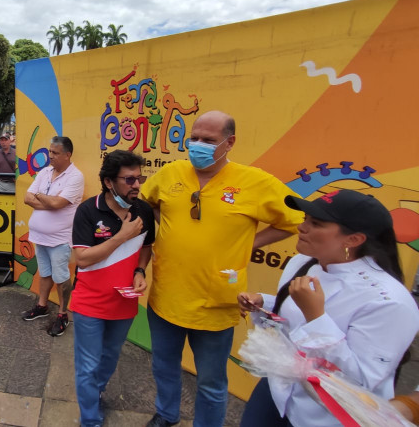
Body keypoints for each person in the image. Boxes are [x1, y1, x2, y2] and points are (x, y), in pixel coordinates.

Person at [138, 110, 303, 427]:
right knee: (163, 365)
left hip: (214, 304)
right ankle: (167, 413)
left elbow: (295, 221)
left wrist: (248, 243)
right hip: (166, 296)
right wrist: (168, 226)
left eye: (208, 140)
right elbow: (147, 203)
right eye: (194, 138)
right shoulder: (171, 173)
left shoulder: (255, 182)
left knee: (211, 383)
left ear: (230, 143)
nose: (198, 145)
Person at [238, 189, 419, 427]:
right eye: (305, 220)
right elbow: (293, 320)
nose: (302, 228)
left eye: (316, 223)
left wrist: (316, 317)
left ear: (353, 240)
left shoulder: (389, 302)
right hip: (279, 389)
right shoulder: (302, 262)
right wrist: (266, 303)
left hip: (328, 414)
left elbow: (362, 379)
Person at [69, 150, 155, 427]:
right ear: (109, 182)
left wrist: (140, 270)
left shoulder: (143, 211)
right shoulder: (88, 210)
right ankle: (90, 420)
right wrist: (121, 236)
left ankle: (94, 393)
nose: (137, 185)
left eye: (139, 178)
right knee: (88, 364)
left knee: (108, 359)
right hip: (88, 301)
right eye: (129, 179)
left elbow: (146, 247)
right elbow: (81, 258)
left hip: (124, 302)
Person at [21, 136, 84, 337]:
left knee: (62, 277)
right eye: (50, 152)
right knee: (45, 273)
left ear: (67, 155)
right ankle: (42, 306)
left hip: (60, 239)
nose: (50, 156)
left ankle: (63, 314)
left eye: (55, 153)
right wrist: (47, 200)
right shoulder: (44, 172)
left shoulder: (75, 177)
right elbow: (26, 198)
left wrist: (39, 197)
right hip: (39, 236)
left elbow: (58, 204)